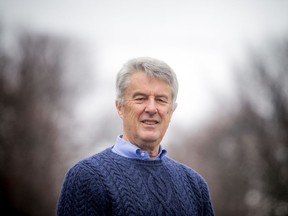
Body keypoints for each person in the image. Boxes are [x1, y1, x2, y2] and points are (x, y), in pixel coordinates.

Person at [57, 57, 215, 216]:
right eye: (141, 98)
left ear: (171, 110)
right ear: (120, 107)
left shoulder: (195, 186)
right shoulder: (86, 178)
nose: (152, 108)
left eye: (160, 100)